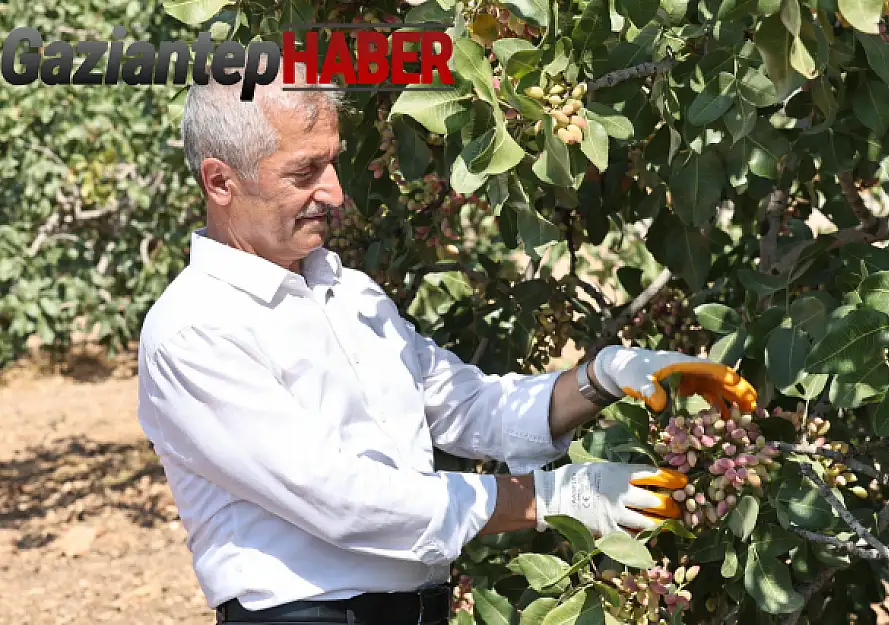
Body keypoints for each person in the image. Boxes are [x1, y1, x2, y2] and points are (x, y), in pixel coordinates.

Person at [135, 60, 756, 625]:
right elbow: (340, 500)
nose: (335, 192)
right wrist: (554, 497)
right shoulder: (195, 331)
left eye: (332, 162)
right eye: (304, 172)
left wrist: (605, 376)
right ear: (220, 182)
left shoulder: (349, 293)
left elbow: (470, 407)